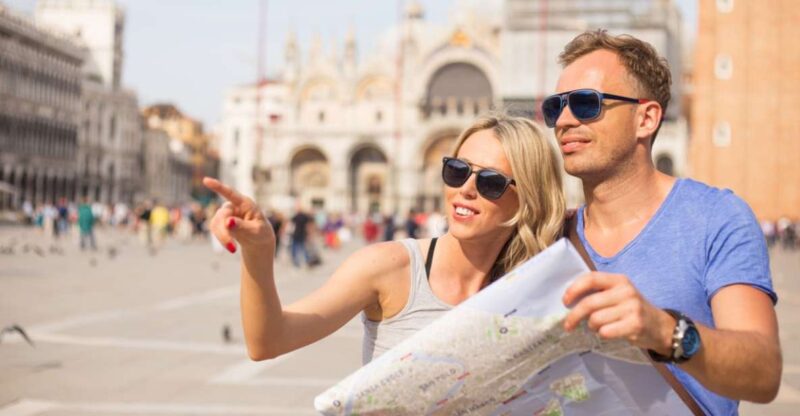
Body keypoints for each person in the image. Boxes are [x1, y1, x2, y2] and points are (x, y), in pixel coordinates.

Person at [202, 113, 566, 364]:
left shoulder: (539, 287)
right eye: (457, 171)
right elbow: (268, 341)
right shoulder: (389, 267)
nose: (466, 189)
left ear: (529, 195)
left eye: (490, 181)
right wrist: (259, 253)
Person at [544, 30, 781, 413]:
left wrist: (664, 331)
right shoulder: (550, 237)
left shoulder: (716, 218)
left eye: (587, 104)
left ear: (646, 118)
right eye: (555, 107)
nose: (564, 121)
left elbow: (763, 371)